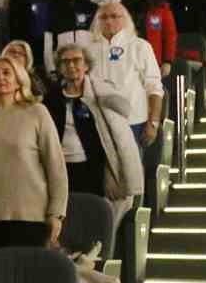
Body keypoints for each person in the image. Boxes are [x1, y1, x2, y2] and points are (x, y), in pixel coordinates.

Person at [0, 56, 69, 254]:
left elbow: (56, 166)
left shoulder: (37, 112)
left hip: (30, 218)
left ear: (19, 80)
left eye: (6, 73)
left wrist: (56, 214)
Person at [48, 43, 145, 217]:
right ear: (60, 68)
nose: (71, 65)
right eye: (65, 62)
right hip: (61, 170)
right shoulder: (51, 99)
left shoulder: (102, 94)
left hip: (95, 170)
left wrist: (111, 175)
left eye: (77, 60)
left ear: (86, 65)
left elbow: (115, 140)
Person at [89, 0, 165, 150]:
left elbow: (154, 88)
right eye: (103, 17)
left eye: (114, 16)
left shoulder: (140, 46)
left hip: (134, 123)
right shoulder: (89, 49)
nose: (109, 21)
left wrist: (153, 123)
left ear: (125, 19)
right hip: (99, 123)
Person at [126, 0, 176, 77]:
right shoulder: (123, 9)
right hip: (128, 58)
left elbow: (170, 36)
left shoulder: (161, 9)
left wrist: (167, 61)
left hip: (151, 59)